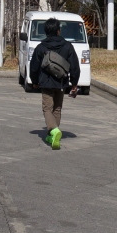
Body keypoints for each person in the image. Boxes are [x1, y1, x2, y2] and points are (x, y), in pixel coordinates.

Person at [27, 17, 81, 150]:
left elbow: (34, 67)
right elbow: (75, 66)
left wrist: (34, 82)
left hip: (46, 83)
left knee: (47, 108)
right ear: (58, 31)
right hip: (61, 82)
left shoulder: (41, 47)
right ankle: (52, 136)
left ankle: (54, 130)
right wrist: (74, 83)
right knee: (57, 108)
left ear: (46, 32)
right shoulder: (67, 46)